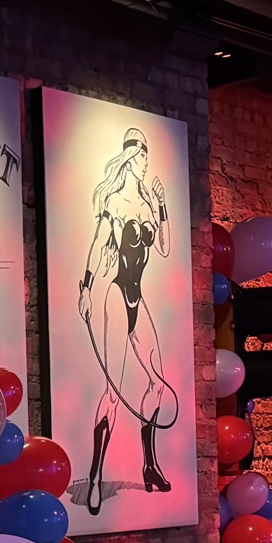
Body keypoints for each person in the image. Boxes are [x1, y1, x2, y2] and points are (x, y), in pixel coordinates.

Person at [77, 127, 178, 513]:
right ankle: (96, 475)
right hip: (116, 294)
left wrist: (162, 205)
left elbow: (164, 247)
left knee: (158, 383)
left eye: (148, 155)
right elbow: (97, 242)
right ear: (129, 157)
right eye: (141, 155)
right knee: (113, 389)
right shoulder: (116, 202)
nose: (145, 162)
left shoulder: (148, 204)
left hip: (139, 298)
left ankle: (150, 465)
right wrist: (86, 288)